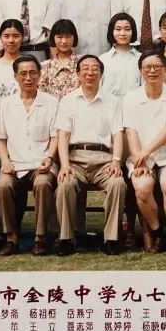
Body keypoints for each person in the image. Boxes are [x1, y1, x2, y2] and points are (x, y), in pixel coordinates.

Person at [54, 55, 127, 256]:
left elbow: (117, 134)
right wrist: (64, 165)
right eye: (85, 69)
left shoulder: (113, 101)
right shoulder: (68, 100)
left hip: (104, 161)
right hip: (75, 159)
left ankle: (111, 238)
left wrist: (116, 161)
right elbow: (63, 135)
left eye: (95, 69)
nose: (90, 73)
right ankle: (66, 238)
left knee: (118, 184)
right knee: (65, 185)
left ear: (101, 74)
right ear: (78, 74)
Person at [123, 50, 166, 252]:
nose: (152, 71)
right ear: (140, 71)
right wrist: (139, 158)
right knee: (142, 187)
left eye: (157, 67)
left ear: (165, 70)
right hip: (139, 156)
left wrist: (146, 152)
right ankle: (158, 232)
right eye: (147, 67)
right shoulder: (131, 97)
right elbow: (131, 131)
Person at [0, 56, 59, 256]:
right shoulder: (6, 104)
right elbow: (1, 139)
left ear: (40, 75)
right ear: (15, 77)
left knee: (42, 183)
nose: (28, 78)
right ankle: (11, 237)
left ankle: (40, 238)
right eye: (23, 74)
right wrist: (5, 162)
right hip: (15, 164)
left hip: (42, 163)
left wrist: (49, 158)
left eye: (33, 73)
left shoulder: (51, 102)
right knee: (3, 185)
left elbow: (55, 136)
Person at [99, 13, 142, 98]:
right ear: (111, 31)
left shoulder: (141, 58)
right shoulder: (102, 59)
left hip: (134, 104)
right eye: (118, 29)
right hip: (108, 104)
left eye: (127, 29)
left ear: (133, 31)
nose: (122, 33)